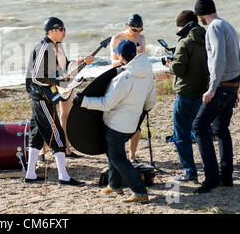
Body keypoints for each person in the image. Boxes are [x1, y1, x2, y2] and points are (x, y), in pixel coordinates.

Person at [74, 40, 156, 203]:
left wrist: (83, 101)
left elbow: (107, 103)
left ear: (120, 55)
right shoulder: (147, 73)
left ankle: (139, 192)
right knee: (113, 152)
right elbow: (150, 102)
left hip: (117, 124)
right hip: (131, 124)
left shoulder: (124, 77)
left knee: (118, 158)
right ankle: (114, 184)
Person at [25, 17, 94, 186]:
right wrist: (59, 81)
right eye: (62, 29)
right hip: (41, 96)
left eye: (64, 29)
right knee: (57, 134)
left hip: (46, 96)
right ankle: (64, 177)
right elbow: (37, 77)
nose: (65, 32)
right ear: (52, 31)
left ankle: (30, 174)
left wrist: (82, 61)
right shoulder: (44, 47)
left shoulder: (57, 46)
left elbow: (65, 65)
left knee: (36, 135)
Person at [191, 0, 240, 193]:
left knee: (199, 126)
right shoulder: (226, 24)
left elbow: (219, 59)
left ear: (200, 15)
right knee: (221, 129)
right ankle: (226, 178)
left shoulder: (213, 28)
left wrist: (212, 88)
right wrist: (235, 88)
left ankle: (212, 178)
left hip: (222, 86)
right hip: (231, 84)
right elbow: (237, 56)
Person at [163, 10, 208, 183]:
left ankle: (190, 172)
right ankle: (209, 167)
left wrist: (170, 64)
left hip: (186, 93)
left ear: (183, 25)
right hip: (203, 91)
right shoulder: (207, 37)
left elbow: (179, 69)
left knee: (180, 134)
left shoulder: (185, 42)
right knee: (200, 132)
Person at [110, 14, 146, 166]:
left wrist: (138, 56)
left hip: (136, 79)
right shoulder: (117, 38)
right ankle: (120, 155)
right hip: (121, 78)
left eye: (139, 30)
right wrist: (128, 57)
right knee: (118, 120)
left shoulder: (141, 39)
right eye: (133, 30)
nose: (136, 33)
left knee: (136, 121)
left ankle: (132, 156)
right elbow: (112, 63)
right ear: (126, 26)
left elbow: (144, 60)